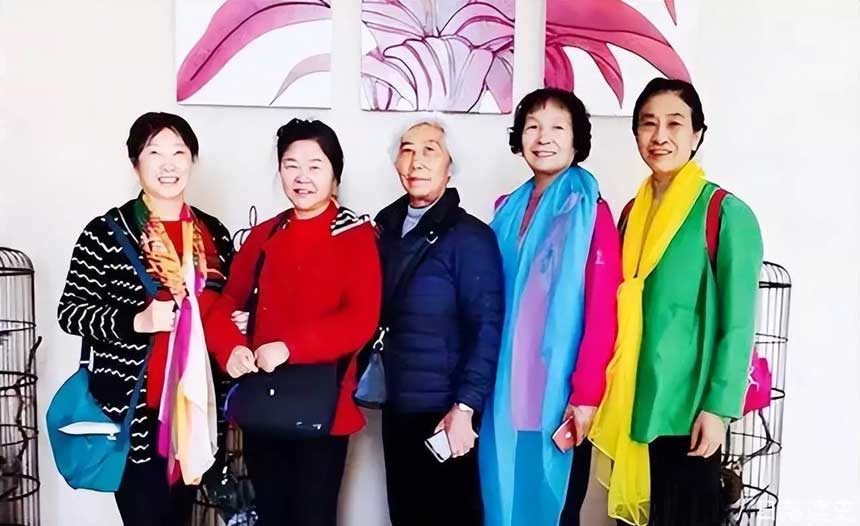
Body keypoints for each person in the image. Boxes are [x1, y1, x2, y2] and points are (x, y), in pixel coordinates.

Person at [589, 78, 763, 526]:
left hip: (688, 412)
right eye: (648, 124)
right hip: (632, 401)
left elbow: (739, 323)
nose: (660, 136)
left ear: (697, 135)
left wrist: (719, 408)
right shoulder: (631, 213)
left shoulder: (725, 213)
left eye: (674, 124)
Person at [57, 112, 234, 526]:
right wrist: (137, 321)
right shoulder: (105, 233)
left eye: (179, 152)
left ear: (192, 159)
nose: (168, 164)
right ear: (135, 162)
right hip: (134, 413)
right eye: (155, 153)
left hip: (199, 409)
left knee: (183, 517)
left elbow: (226, 305)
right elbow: (71, 312)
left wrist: (238, 322)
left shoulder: (213, 233)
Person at [203, 118, 381, 526]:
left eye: (315, 166)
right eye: (291, 165)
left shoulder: (354, 234)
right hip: (263, 403)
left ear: (335, 174)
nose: (302, 177)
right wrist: (230, 348)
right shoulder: (265, 234)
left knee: (313, 515)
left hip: (322, 407)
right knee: (270, 514)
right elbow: (225, 302)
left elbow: (360, 319)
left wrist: (289, 347)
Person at [479, 88, 622, 526]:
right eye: (533, 126)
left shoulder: (592, 211)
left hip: (559, 394)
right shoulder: (505, 209)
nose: (544, 137)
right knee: (502, 498)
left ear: (577, 139)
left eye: (558, 127)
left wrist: (586, 395)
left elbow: (603, 312)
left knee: (554, 508)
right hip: (502, 391)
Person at [374, 119, 504, 526]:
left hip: (446, 411)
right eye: (407, 150)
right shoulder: (383, 231)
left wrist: (465, 407)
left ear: (450, 165)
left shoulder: (470, 237)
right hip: (397, 405)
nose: (416, 161)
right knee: (405, 515)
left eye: (430, 150)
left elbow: (487, 328)